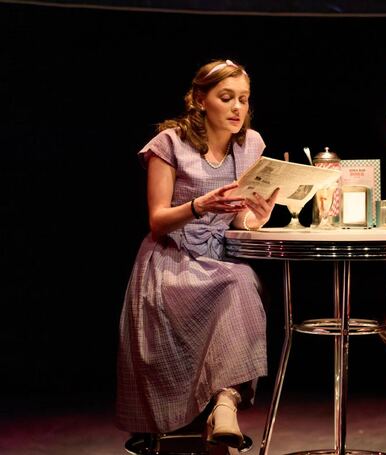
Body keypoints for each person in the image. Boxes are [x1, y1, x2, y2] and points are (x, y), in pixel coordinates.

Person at [115, 59, 279, 451]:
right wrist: (200, 205)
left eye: (243, 99)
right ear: (201, 99)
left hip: (219, 260)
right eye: (227, 98)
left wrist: (256, 217)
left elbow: (239, 218)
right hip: (171, 260)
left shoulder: (251, 144)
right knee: (238, 281)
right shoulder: (169, 143)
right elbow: (158, 221)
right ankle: (208, 410)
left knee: (240, 280)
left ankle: (226, 402)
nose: (238, 108)